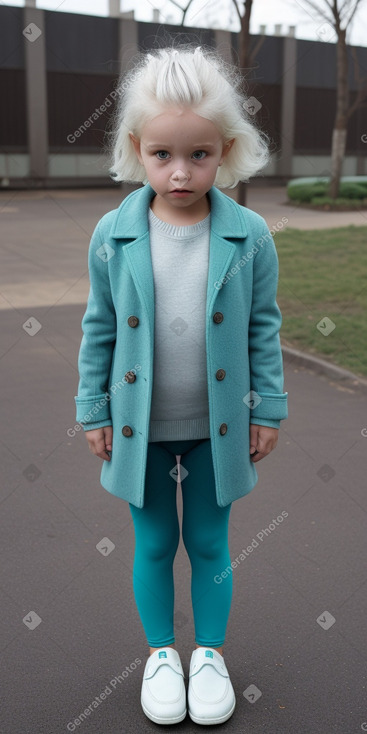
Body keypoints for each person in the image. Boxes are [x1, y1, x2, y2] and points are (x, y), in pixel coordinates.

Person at [74, 45, 288, 727]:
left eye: (198, 155)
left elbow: (262, 327)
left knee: (208, 542)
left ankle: (209, 655)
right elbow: (98, 327)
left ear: (224, 151)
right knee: (155, 545)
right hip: (137, 430)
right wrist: (92, 409)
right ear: (137, 149)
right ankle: (162, 654)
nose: (179, 171)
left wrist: (269, 408)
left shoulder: (248, 235)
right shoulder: (114, 233)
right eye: (162, 154)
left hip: (215, 428)